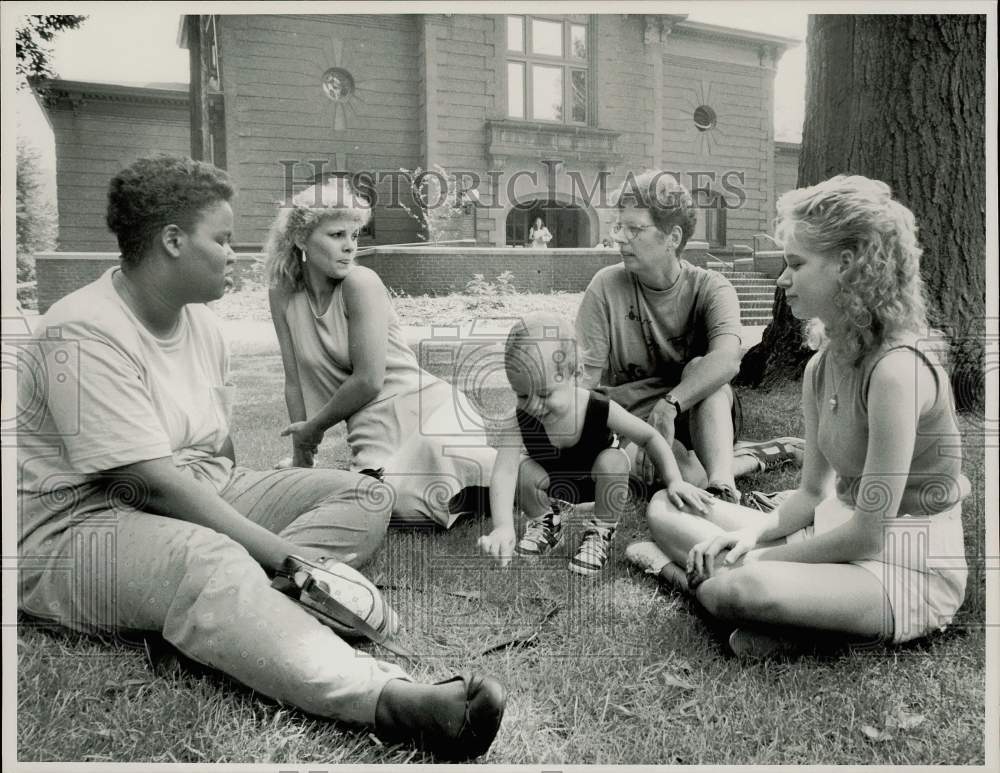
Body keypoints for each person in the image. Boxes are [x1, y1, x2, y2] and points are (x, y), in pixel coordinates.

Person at [15, 155, 505, 760]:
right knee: (210, 556)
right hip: (78, 527)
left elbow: (215, 455)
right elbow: (148, 482)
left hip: (198, 487)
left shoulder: (203, 328)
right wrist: (283, 552)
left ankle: (233, 613)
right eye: (220, 239)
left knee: (365, 492)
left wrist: (270, 506)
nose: (234, 253)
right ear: (172, 240)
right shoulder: (83, 330)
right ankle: (392, 700)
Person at [627, 174, 970, 657]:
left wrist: (761, 554)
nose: (782, 279)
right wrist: (750, 535)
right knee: (667, 507)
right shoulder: (820, 367)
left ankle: (683, 578)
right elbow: (811, 494)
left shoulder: (898, 371)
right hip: (829, 534)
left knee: (737, 586)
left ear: (849, 267)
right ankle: (789, 623)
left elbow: (870, 534)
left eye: (795, 264)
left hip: (904, 565)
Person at [265, 177, 496, 528]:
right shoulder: (282, 293)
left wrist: (316, 425)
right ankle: (461, 489)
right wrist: (302, 456)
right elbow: (293, 379)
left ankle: (522, 478)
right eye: (336, 235)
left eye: (354, 235)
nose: (349, 247)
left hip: (426, 408)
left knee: (415, 500)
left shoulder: (361, 283)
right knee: (388, 507)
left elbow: (369, 381)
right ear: (301, 239)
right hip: (372, 430)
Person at [576, 170, 802, 502]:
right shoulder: (605, 286)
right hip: (632, 421)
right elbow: (586, 379)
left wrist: (669, 405)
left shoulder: (711, 287)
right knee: (676, 478)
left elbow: (726, 361)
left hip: (699, 411)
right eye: (618, 227)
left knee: (701, 367)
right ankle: (754, 456)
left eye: (635, 229)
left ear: (673, 236)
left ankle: (724, 486)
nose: (620, 238)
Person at [476, 312, 715, 575]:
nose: (533, 405)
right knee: (522, 468)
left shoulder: (598, 408)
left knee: (613, 460)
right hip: (555, 485)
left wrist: (674, 480)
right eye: (522, 395)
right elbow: (503, 472)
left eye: (544, 394)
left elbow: (649, 436)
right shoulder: (519, 420)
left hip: (598, 483)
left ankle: (600, 531)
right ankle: (546, 523)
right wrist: (503, 526)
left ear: (574, 374)